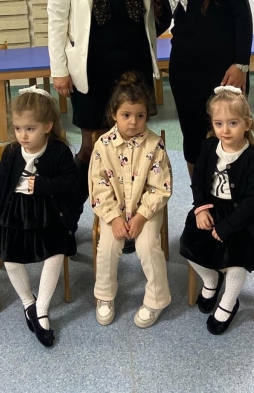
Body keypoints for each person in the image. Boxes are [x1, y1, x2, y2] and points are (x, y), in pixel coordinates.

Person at [48, 0, 159, 204]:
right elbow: (57, 15)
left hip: (134, 67)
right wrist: (59, 68)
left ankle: (125, 215)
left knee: (132, 148)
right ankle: (66, 211)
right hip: (90, 68)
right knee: (92, 146)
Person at [149, 0, 253, 177]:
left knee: (230, 136)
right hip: (184, 67)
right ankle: (201, 198)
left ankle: (233, 197)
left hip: (225, 67)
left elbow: (242, 12)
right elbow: (161, 20)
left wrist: (241, 64)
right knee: (193, 137)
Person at [0, 87, 78, 348]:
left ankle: (42, 308)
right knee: (10, 257)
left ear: (47, 126)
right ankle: (28, 302)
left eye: (30, 129)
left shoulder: (59, 151)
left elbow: (71, 182)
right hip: (15, 211)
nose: (23, 135)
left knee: (55, 253)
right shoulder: (12, 152)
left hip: (49, 210)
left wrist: (43, 185)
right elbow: (1, 187)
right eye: (18, 129)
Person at [180, 85, 254, 335]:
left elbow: (253, 201)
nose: (225, 130)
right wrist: (200, 209)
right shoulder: (210, 146)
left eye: (233, 123)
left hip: (245, 217)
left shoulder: (252, 159)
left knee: (237, 260)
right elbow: (199, 180)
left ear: (247, 124)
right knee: (188, 243)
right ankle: (211, 279)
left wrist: (227, 227)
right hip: (212, 208)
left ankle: (229, 302)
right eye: (219, 123)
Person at [89, 72, 172, 328]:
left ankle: (157, 299)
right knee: (107, 246)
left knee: (147, 246)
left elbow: (160, 187)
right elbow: (98, 186)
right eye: (126, 115)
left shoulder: (155, 145)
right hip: (112, 212)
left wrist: (141, 216)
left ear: (147, 115)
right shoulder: (102, 145)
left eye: (140, 116)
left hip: (146, 211)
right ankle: (104, 296)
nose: (133, 122)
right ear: (114, 114)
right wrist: (114, 217)